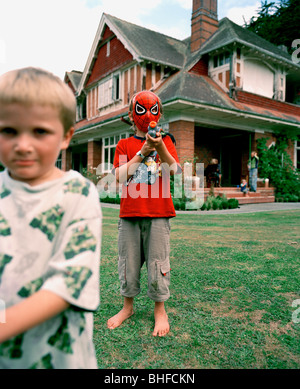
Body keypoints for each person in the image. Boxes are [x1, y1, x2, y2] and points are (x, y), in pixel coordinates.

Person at [0, 67, 102, 369]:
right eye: (9, 131)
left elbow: (69, 283)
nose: (23, 144)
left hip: (59, 356)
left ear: (66, 137)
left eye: (40, 131)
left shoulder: (78, 194)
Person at [107, 90, 181, 337]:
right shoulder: (124, 145)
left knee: (158, 263)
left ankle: (160, 310)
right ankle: (127, 307)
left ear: (159, 114)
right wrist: (143, 151)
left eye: (153, 109)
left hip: (159, 214)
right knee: (128, 262)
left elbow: (174, 170)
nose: (147, 114)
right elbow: (119, 175)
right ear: (131, 114)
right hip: (129, 214)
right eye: (140, 109)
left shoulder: (166, 140)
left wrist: (158, 147)